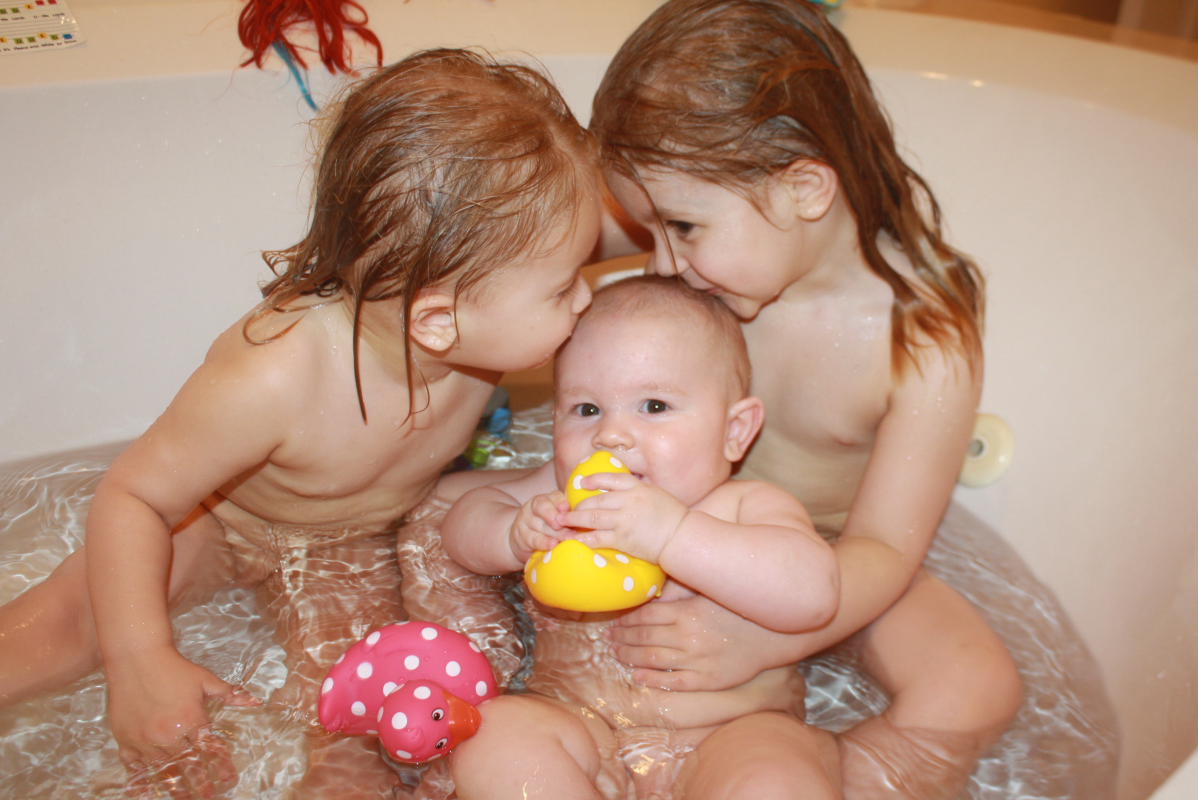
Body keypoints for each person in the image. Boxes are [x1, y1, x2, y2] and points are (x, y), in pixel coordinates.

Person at [0, 48, 599, 798]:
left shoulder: (479, 313)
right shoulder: (277, 374)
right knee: (64, 622)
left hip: (351, 550)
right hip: (222, 523)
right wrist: (141, 660)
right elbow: (135, 497)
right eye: (566, 284)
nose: (585, 298)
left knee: (367, 732)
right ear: (439, 322)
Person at [588, 1, 1023, 796]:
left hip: (833, 560)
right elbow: (533, 241)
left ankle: (838, 773)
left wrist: (767, 634)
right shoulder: (708, 238)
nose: (658, 263)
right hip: (667, 513)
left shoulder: (921, 340)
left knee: (978, 684)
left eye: (680, 227)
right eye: (644, 226)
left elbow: (886, 548)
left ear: (806, 189)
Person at [440, 275, 842, 800]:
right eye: (587, 409)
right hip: (582, 727)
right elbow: (459, 524)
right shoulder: (560, 495)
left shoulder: (745, 506)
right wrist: (510, 534)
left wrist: (671, 533)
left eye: (653, 406)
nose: (611, 435)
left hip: (729, 735)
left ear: (735, 431)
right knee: (495, 736)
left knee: (779, 779)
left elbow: (813, 594)